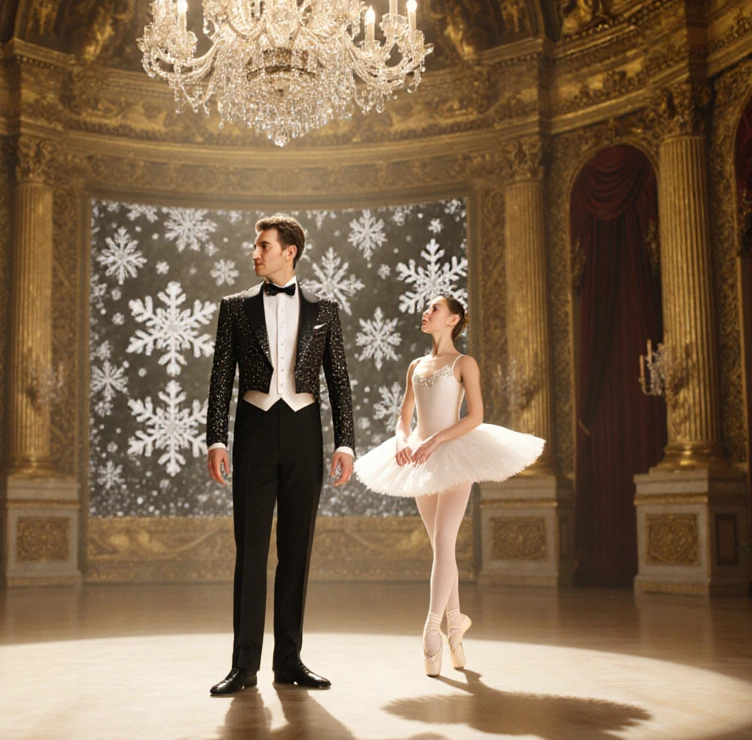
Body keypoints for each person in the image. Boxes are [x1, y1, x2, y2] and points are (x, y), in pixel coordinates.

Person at [205, 215, 356, 696]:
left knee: (297, 551)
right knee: (250, 552)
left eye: (263, 246)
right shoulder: (233, 308)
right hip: (252, 430)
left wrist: (345, 443)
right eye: (256, 245)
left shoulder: (326, 309)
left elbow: (340, 382)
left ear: (289, 251)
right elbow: (219, 381)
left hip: (303, 432)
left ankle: (288, 661)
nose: (255, 253)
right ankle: (243, 666)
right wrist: (216, 439)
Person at [354, 296, 544, 676]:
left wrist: (437, 441)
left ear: (453, 319)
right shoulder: (416, 366)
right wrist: (401, 440)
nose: (426, 313)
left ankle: (430, 632)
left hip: (455, 455)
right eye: (427, 309)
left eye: (435, 309)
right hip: (420, 461)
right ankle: (455, 625)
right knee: (442, 549)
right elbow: (403, 417)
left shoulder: (463, 363)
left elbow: (476, 415)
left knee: (443, 545)